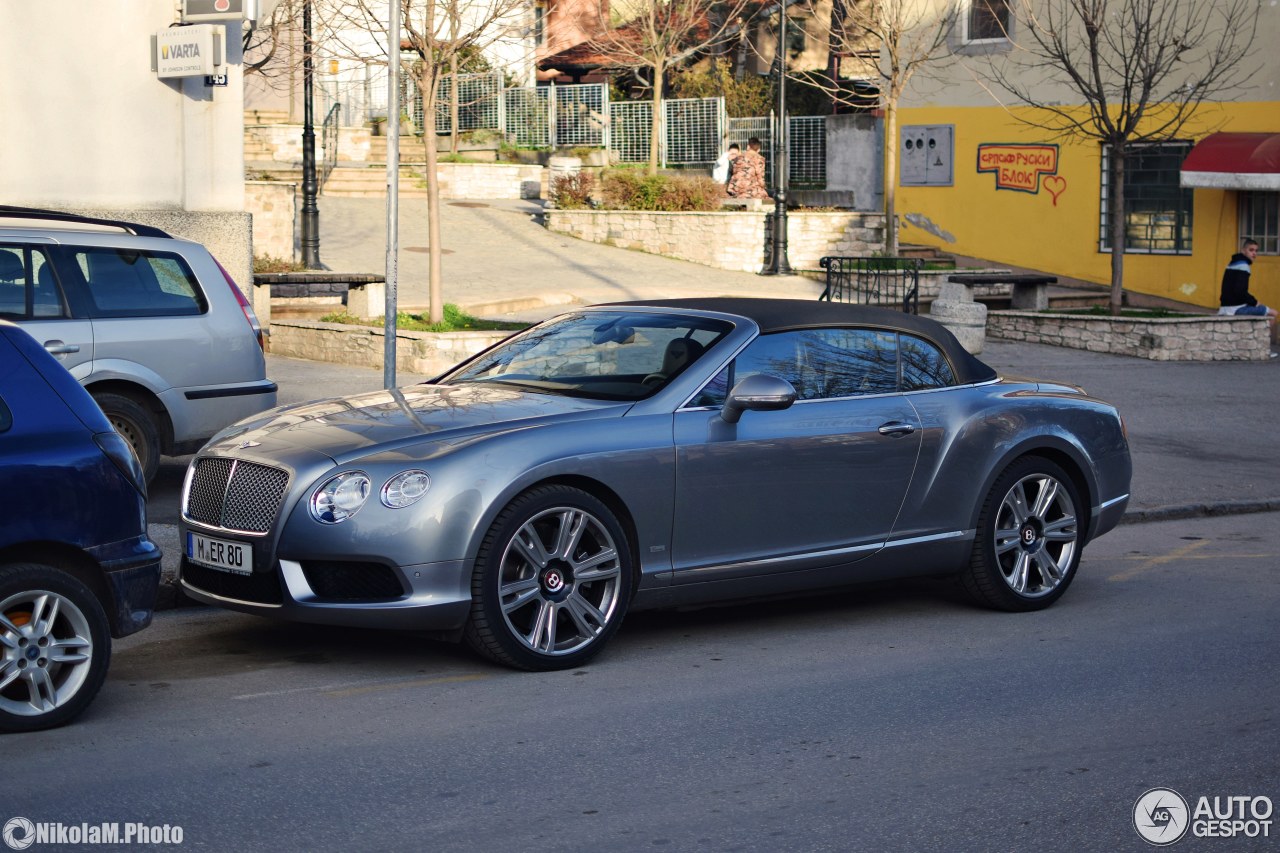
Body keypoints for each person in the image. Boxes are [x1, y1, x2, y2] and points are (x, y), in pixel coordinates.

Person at [1219, 238, 1277, 345]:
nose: (1254, 253)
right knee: (1273, 314)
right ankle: (1266, 348)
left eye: (1256, 251)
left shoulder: (1233, 263)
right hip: (1235, 309)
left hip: (1226, 307)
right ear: (1243, 250)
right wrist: (1255, 302)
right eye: (1251, 250)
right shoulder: (1243, 266)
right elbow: (1240, 291)